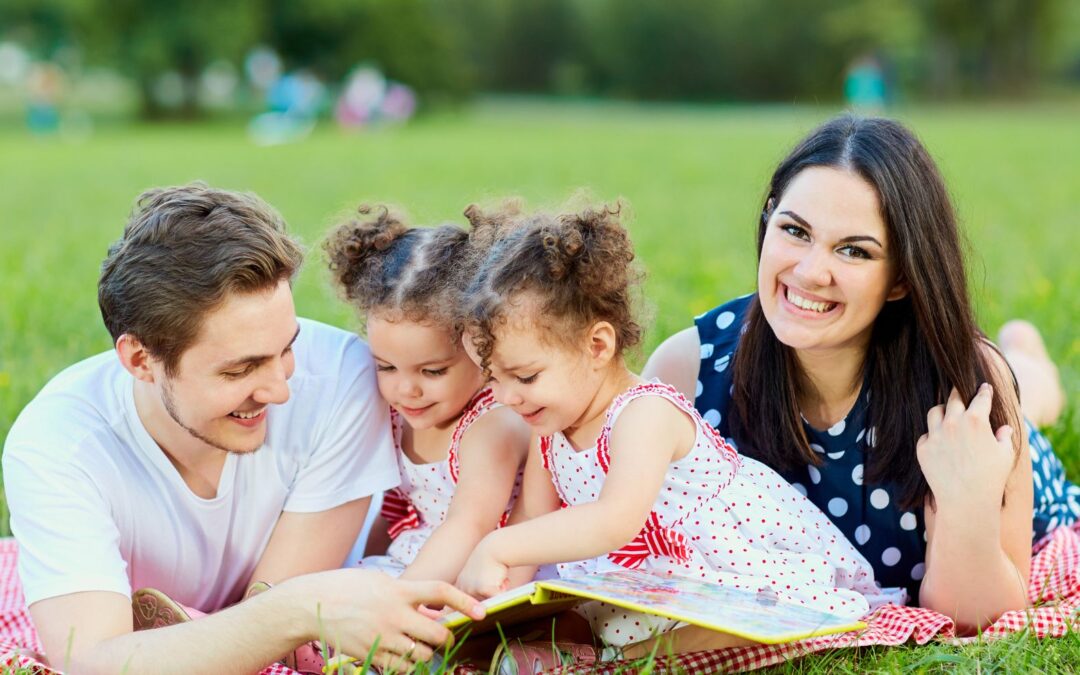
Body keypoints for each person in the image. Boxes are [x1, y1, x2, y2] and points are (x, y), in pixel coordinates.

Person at [2, 184, 484, 673]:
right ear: (140, 359)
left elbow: (275, 621)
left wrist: (286, 610)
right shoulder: (57, 443)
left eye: (287, 349)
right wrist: (296, 608)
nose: (279, 390)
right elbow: (94, 664)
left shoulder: (343, 377)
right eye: (239, 370)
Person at [644, 114, 1078, 637]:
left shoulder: (964, 387)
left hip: (990, 432)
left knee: (1029, 400)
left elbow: (978, 618)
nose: (809, 272)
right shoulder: (687, 368)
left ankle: (1025, 351)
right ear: (767, 222)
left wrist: (966, 503)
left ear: (899, 278)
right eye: (794, 230)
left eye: (854, 250)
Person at [452, 203, 894, 665]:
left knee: (731, 627)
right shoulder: (551, 426)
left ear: (598, 345)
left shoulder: (645, 413)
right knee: (552, 619)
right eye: (492, 379)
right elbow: (532, 519)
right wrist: (500, 606)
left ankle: (611, 663)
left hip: (728, 571)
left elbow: (614, 519)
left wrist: (496, 546)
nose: (506, 397)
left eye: (524, 377)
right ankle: (573, 652)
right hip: (643, 582)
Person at [324, 204, 530, 581]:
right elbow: (397, 513)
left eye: (432, 371)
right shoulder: (396, 415)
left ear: (481, 346)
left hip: (470, 574)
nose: (406, 390)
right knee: (336, 589)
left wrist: (400, 599)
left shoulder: (491, 426)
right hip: (413, 560)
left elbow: (471, 524)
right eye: (385, 366)